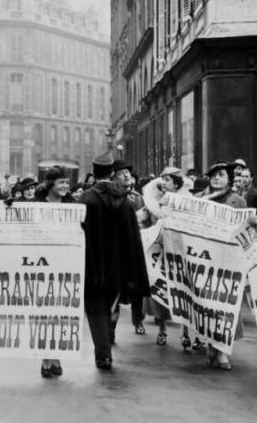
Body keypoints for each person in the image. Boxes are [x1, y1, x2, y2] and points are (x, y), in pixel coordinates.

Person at [78, 153, 150, 370]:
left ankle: (103, 353)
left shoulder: (85, 200)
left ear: (94, 173)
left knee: (95, 308)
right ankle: (107, 337)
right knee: (111, 304)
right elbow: (133, 239)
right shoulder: (126, 202)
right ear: (111, 173)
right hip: (118, 266)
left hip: (91, 265)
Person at [194, 161, 246, 370]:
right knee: (207, 304)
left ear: (229, 179)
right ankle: (210, 345)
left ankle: (223, 350)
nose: (216, 178)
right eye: (213, 175)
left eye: (221, 175)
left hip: (230, 259)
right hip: (206, 258)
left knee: (227, 305)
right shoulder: (199, 199)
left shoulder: (238, 201)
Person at [36, 166, 74, 378]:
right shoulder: (36, 204)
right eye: (61, 183)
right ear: (50, 184)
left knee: (62, 314)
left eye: (67, 184)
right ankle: (45, 358)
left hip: (66, 264)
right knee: (44, 314)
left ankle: (57, 356)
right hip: (42, 267)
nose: (65, 187)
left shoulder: (72, 205)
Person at [150, 166, 189, 347]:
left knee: (184, 292)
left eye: (167, 180)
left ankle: (186, 332)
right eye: (162, 179)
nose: (163, 183)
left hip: (182, 253)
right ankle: (162, 330)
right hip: (163, 251)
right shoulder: (157, 200)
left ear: (176, 182)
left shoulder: (187, 199)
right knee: (161, 290)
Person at [111, 159, 148, 336]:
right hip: (116, 249)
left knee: (136, 289)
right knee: (115, 290)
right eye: (121, 173)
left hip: (134, 247)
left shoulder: (137, 197)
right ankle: (111, 324)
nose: (126, 175)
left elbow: (146, 221)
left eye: (128, 173)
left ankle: (138, 320)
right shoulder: (110, 197)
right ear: (113, 178)